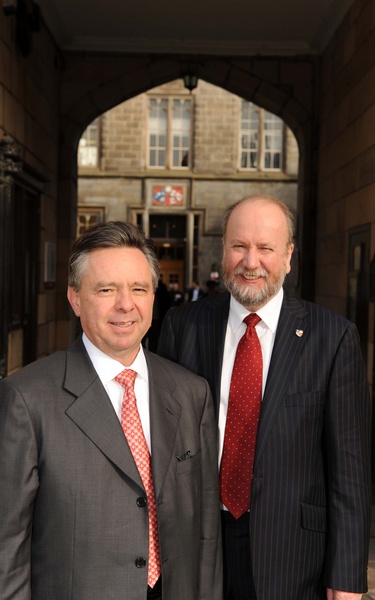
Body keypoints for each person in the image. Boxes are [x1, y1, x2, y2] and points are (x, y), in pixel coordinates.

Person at [0, 221, 222, 600]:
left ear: (153, 296)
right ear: (75, 298)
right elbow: (0, 557)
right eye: (106, 289)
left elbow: (206, 535)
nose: (126, 304)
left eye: (138, 289)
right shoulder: (24, 400)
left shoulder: (191, 393)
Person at [158, 195, 372, 600]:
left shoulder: (333, 338)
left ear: (289, 256)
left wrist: (345, 577)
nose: (250, 261)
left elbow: (350, 471)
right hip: (196, 547)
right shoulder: (183, 325)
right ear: (224, 250)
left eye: (266, 248)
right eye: (239, 246)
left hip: (293, 557)